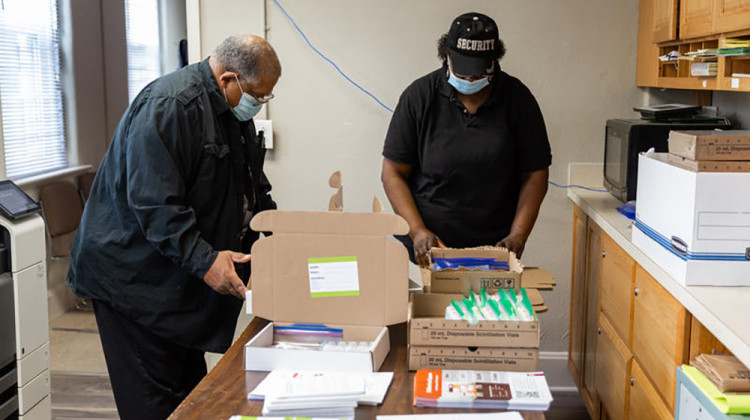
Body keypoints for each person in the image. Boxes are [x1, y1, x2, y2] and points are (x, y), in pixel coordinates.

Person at [67, 35, 280, 420]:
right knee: (153, 404)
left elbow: (251, 187)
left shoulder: (232, 113)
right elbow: (155, 205)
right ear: (229, 78)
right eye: (258, 95)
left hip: (174, 281)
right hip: (133, 282)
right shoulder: (169, 106)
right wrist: (206, 262)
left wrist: (279, 239)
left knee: (190, 399)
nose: (259, 104)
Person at [381, 12, 551, 267]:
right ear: (446, 55)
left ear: (494, 60)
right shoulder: (419, 97)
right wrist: (417, 231)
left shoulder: (517, 100)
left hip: (493, 249)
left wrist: (518, 234)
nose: (470, 79)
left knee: (489, 308)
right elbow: (392, 172)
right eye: (463, 71)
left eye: (477, 72)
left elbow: (535, 175)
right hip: (427, 248)